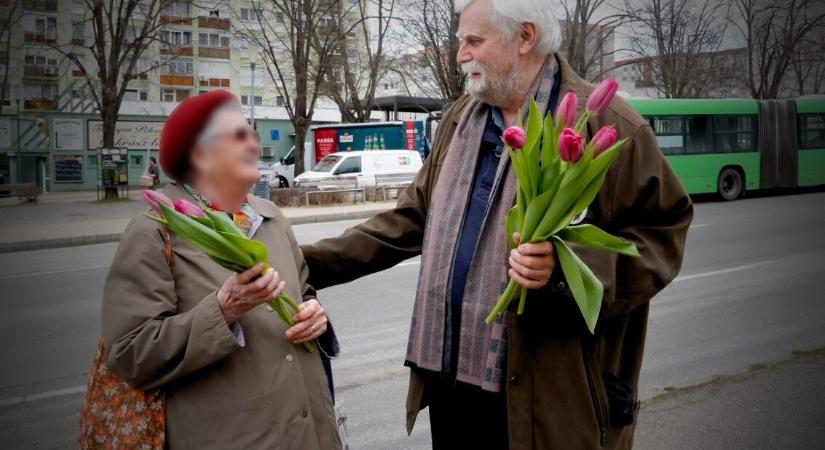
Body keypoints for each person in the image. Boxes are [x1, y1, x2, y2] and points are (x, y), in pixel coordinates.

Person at [300, 0, 693, 449]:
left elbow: (664, 235)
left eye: (473, 41)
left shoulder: (606, 125)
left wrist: (567, 270)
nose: (460, 55)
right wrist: (303, 262)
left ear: (524, 38)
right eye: (460, 42)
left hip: (555, 399)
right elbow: (409, 221)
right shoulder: (459, 121)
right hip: (453, 385)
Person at [101, 90, 341, 449]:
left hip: (312, 436)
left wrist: (315, 317)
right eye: (240, 135)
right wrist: (224, 310)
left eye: (253, 134)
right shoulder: (154, 231)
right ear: (200, 154)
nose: (254, 143)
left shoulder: (271, 217)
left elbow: (303, 295)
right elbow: (130, 354)